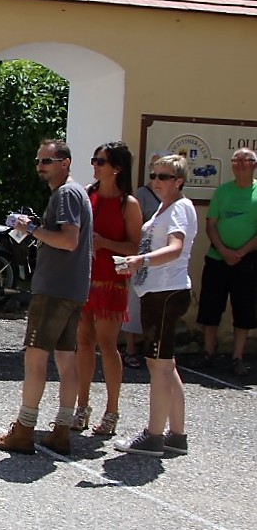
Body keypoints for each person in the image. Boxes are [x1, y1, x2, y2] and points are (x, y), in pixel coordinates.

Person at [0, 139, 92, 456]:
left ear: (65, 162)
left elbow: (69, 240)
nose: (40, 166)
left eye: (47, 160)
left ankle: (24, 429)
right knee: (65, 358)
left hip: (55, 289)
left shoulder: (67, 194)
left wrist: (30, 228)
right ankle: (61, 430)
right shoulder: (75, 193)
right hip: (71, 288)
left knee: (35, 357)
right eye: (38, 161)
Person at [112, 154, 197, 456]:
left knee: (158, 366)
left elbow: (175, 248)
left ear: (179, 181)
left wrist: (140, 260)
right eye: (154, 175)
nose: (156, 181)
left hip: (165, 292)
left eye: (164, 177)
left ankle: (153, 435)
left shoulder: (178, 210)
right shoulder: (166, 208)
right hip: (159, 291)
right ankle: (176, 434)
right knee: (166, 364)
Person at [73, 142, 142, 437]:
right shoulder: (88, 195)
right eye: (94, 160)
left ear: (117, 167)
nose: (95, 166)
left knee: (108, 345)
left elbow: (135, 246)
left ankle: (112, 411)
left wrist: (105, 243)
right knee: (83, 343)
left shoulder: (129, 204)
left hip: (111, 281)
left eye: (101, 161)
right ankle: (81, 407)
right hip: (84, 279)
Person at [195, 147, 257, 376]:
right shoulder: (222, 192)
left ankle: (237, 357)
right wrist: (223, 250)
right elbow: (211, 224)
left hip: (247, 261)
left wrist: (240, 252)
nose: (240, 164)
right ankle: (208, 353)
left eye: (245, 160)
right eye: (236, 160)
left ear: (254, 165)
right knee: (211, 307)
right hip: (217, 259)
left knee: (244, 310)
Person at [122, 153, 163, 369]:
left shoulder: (176, 199)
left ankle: (152, 349)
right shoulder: (141, 195)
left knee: (155, 306)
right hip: (142, 255)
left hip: (162, 260)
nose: (159, 178)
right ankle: (130, 349)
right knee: (134, 303)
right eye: (155, 172)